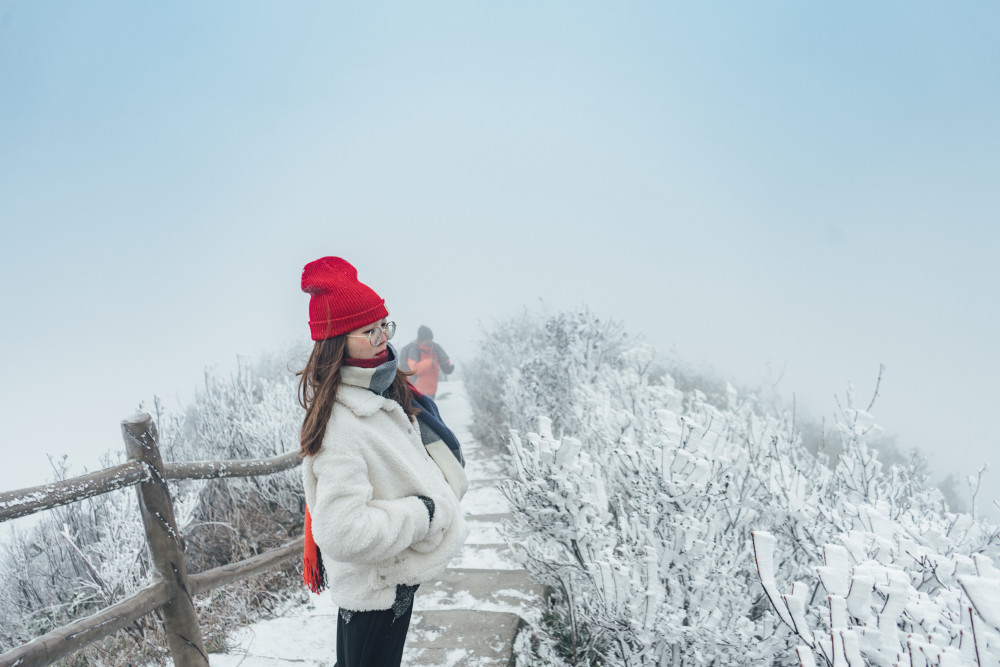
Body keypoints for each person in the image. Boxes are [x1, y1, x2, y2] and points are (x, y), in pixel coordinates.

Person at [297, 256, 469, 667]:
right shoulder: (342, 421)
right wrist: (424, 514)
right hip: (375, 588)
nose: (382, 339)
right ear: (338, 342)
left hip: (392, 580)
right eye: (368, 331)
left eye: (384, 326)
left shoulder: (382, 391)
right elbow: (342, 531)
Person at [399, 325, 454, 399]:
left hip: (432, 389)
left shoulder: (435, 347)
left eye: (431, 339)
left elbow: (444, 359)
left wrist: (447, 367)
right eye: (427, 340)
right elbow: (414, 369)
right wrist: (430, 362)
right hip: (418, 390)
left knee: (430, 409)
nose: (430, 342)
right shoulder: (414, 349)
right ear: (421, 340)